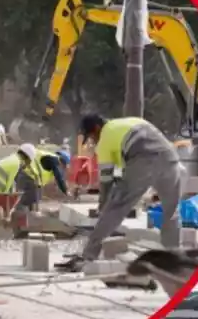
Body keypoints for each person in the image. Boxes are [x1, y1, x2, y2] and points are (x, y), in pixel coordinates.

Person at [56, 114, 184, 273]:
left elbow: (106, 183)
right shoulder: (130, 121)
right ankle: (173, 260)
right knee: (172, 211)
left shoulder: (104, 139)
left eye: (91, 137)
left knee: (114, 209)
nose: (92, 142)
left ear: (96, 128)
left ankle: (88, 256)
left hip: (143, 159)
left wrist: (103, 209)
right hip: (171, 159)